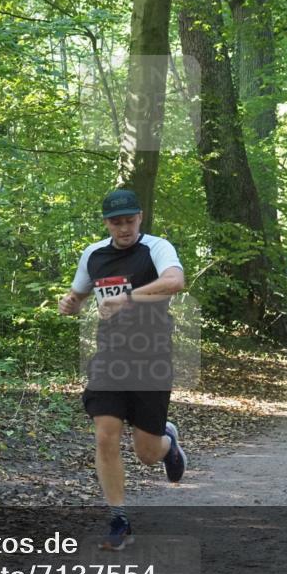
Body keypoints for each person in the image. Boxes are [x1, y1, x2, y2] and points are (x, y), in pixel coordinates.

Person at [58, 189, 187, 550]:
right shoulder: (93, 255)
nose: (125, 228)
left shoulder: (157, 249)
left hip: (151, 356)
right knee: (105, 433)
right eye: (117, 222)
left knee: (146, 453)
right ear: (106, 223)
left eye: (130, 220)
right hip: (110, 357)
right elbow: (77, 294)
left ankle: (168, 444)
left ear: (140, 217)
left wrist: (128, 298)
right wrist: (69, 302)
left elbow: (175, 281)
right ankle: (119, 519)